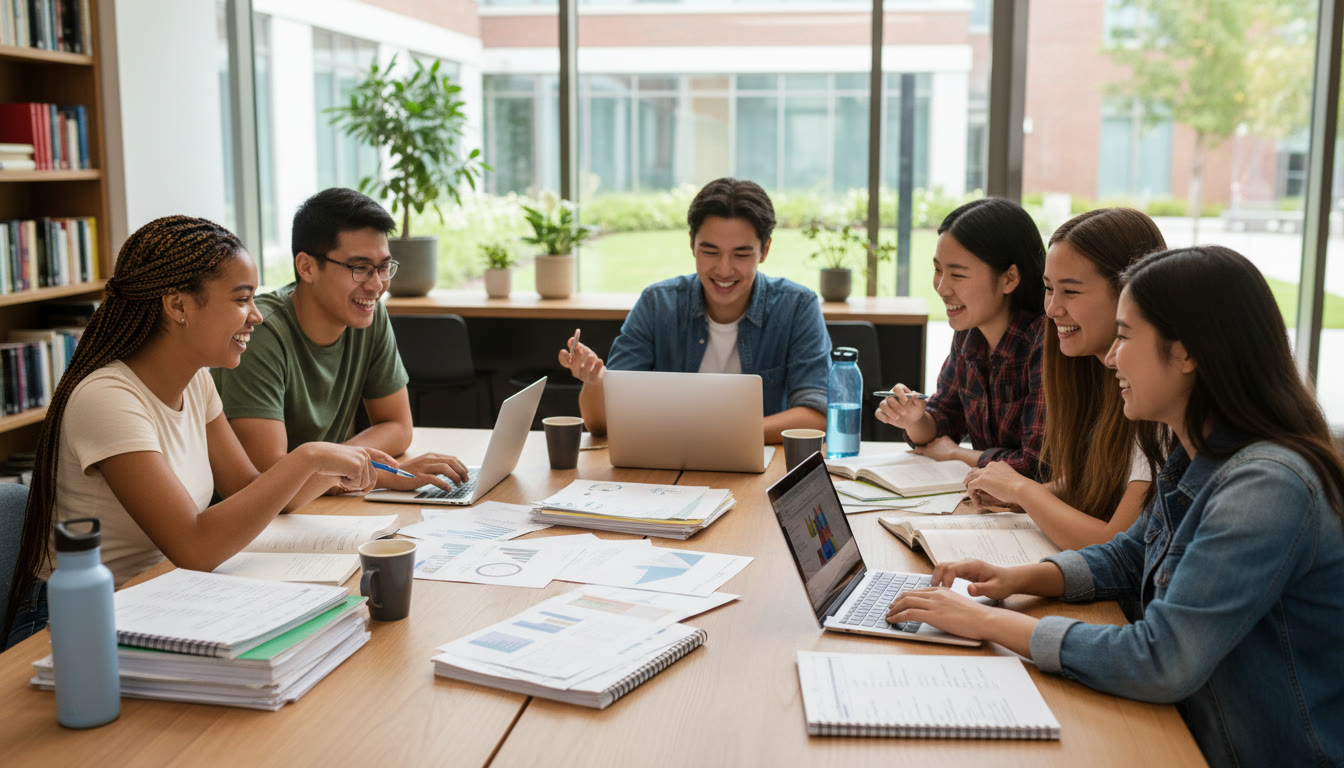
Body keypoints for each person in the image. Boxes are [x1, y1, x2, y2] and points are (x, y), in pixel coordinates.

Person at [886, 246, 1344, 767]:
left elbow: (1162, 659)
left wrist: (988, 623)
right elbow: (1128, 556)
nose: (1110, 357)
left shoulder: (1265, 487)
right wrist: (1019, 578)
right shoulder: (1196, 456)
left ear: (1187, 352)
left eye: (1125, 336)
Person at [3, 216, 390, 648]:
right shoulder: (107, 399)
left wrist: (334, 464)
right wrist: (307, 459)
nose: (257, 317)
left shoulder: (196, 381)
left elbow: (251, 489)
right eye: (242, 300)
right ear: (179, 306)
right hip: (76, 620)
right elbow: (194, 546)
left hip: (163, 593)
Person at [212, 188, 466, 493]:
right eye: (359, 268)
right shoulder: (260, 332)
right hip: (261, 522)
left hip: (319, 504)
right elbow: (269, 474)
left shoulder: (367, 316)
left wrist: (349, 464)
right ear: (306, 267)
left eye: (384, 267)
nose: (375, 285)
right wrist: (380, 473)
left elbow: (398, 427)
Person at [557, 177, 830, 444]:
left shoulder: (797, 307)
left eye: (741, 254)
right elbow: (599, 424)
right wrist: (594, 380)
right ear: (691, 244)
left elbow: (816, 416)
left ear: (765, 250)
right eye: (710, 252)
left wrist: (720, 433)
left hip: (761, 472)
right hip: (667, 470)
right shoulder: (657, 304)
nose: (724, 269)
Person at [961, 209, 1168, 549]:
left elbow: (1115, 544)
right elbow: (1092, 479)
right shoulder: (1090, 371)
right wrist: (1020, 497)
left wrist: (1022, 490)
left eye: (1070, 292)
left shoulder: (1158, 398)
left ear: (1129, 294)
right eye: (1048, 289)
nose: (1052, 308)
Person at [875, 198, 1047, 478]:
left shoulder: (1044, 341)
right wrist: (914, 419)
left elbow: (1037, 466)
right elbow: (942, 422)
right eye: (938, 270)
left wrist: (958, 454)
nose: (941, 288)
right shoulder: (969, 332)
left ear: (1009, 279)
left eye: (957, 274)